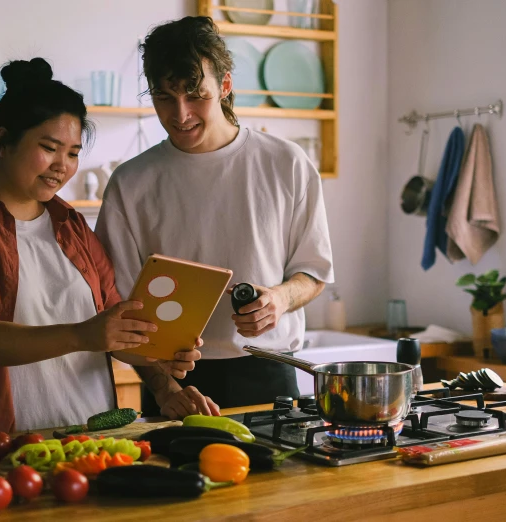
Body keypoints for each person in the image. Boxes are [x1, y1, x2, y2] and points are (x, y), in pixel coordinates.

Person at [0, 58, 200, 438]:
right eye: (49, 148)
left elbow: (112, 326)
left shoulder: (73, 225)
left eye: (74, 153)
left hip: (91, 441)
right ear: (2, 141)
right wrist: (82, 335)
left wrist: (165, 381)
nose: (62, 166)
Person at [95, 17, 334, 419]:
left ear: (224, 86)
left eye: (195, 94)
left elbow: (313, 273)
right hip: (174, 381)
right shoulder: (130, 183)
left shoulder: (286, 163)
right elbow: (117, 309)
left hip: (271, 371)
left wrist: (279, 298)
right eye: (164, 97)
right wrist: (164, 386)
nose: (180, 113)